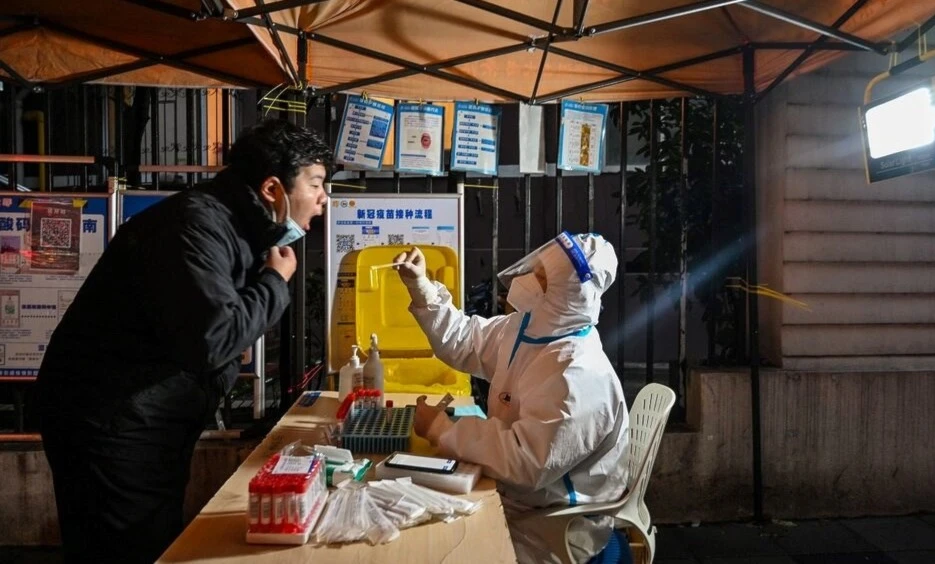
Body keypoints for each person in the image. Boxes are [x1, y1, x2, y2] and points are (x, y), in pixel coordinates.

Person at [36, 119, 332, 563]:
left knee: (148, 539)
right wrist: (274, 281)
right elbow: (214, 338)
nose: (324, 199)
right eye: (316, 183)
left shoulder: (229, 225)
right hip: (114, 421)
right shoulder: (196, 227)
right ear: (273, 188)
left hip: (140, 417)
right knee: (128, 547)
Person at [393, 232, 630, 564]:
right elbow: (464, 341)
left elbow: (525, 462)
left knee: (440, 549)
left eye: (544, 279)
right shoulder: (529, 331)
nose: (531, 281)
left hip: (556, 524)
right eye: (538, 271)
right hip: (519, 499)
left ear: (569, 294)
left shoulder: (578, 373)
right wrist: (422, 288)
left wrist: (442, 429)